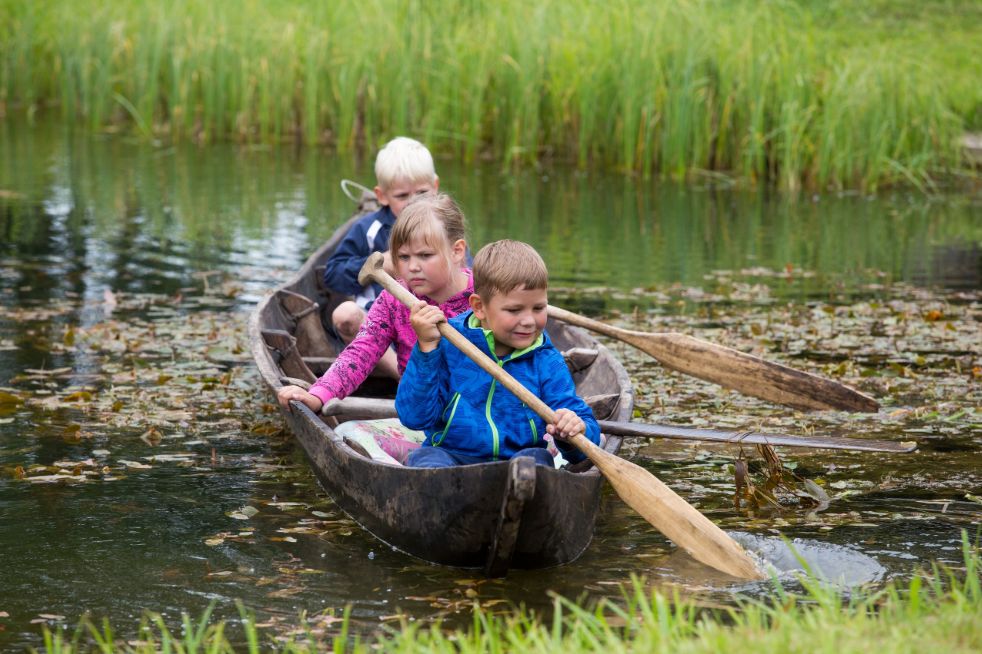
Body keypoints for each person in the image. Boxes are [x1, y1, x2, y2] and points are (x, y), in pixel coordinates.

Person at [396, 240, 601, 468]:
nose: (529, 321)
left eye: (538, 308)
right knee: (426, 460)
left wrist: (576, 428)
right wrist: (426, 348)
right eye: (514, 310)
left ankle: (520, 488)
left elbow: (583, 441)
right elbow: (414, 417)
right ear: (479, 307)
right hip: (451, 455)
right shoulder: (449, 345)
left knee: (536, 460)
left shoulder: (545, 359)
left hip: (517, 462)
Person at [277, 194, 471, 413]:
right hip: (420, 413)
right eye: (403, 257)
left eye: (425, 255)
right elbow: (361, 352)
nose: (413, 267)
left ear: (457, 251)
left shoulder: (482, 297)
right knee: (345, 430)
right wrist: (318, 395)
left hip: (479, 413)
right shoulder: (394, 299)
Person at [323, 136, 439, 378]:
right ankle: (404, 376)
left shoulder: (443, 229)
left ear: (435, 186)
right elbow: (333, 274)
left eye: (422, 192)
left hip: (430, 322)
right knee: (345, 314)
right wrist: (380, 265)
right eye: (402, 196)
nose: (414, 203)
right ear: (382, 195)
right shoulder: (369, 229)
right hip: (378, 330)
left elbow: (467, 274)